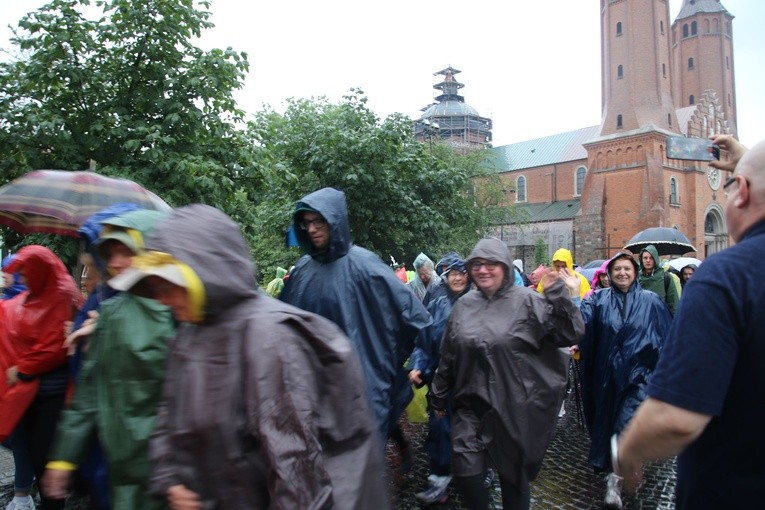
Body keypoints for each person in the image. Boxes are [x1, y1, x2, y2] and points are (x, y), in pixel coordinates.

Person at [108, 204, 388, 509]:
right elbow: (168, 417)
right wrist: (170, 479)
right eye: (154, 286)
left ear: (204, 270)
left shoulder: (268, 336)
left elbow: (296, 468)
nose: (160, 298)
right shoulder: (189, 336)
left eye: (166, 283)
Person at [614, 135, 765, 509]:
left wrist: (625, 451)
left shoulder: (727, 276)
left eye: (730, 187)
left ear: (741, 192)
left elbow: (675, 419)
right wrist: (747, 164)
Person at [429, 237, 584, 510]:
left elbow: (569, 333)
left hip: (514, 408)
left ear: (505, 266)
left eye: (491, 264)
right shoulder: (464, 306)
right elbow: (449, 353)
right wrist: (438, 397)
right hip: (470, 408)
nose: (483, 270)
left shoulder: (527, 301)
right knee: (467, 474)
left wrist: (561, 295)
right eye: (476, 264)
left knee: (514, 482)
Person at [42, 209, 175, 510]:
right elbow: (88, 393)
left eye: (125, 252)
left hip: (165, 473)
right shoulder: (111, 314)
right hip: (116, 469)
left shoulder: (182, 312)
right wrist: (63, 459)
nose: (114, 264)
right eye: (110, 254)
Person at [279, 187, 431, 448]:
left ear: (334, 220)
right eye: (306, 223)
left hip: (363, 390)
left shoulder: (365, 266)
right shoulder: (304, 269)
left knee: (360, 469)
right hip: (317, 391)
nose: (312, 229)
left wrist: (394, 361)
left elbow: (417, 320)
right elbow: (283, 322)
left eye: (319, 221)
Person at [577, 251, 672, 509]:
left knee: (624, 425)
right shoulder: (597, 301)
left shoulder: (651, 301)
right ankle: (616, 471)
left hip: (639, 378)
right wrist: (572, 296)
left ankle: (615, 480)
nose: (622, 273)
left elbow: (667, 337)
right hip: (606, 379)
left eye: (627, 269)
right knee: (607, 427)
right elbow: (580, 326)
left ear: (635, 272)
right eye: (617, 269)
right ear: (609, 273)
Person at [0, 246, 82, 510]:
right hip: (33, 392)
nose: (22, 278)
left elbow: (54, 346)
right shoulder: (42, 291)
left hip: (53, 396)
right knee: (35, 456)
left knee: (45, 460)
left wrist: (22, 368)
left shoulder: (61, 292)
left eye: (25, 272)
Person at [408, 257, 472, 505]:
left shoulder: (478, 303)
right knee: (440, 431)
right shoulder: (435, 304)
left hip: (472, 385)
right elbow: (423, 342)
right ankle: (438, 481)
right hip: (441, 385)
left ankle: (480, 473)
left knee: (474, 431)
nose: (457, 278)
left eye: (462, 273)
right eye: (452, 274)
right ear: (445, 277)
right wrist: (417, 365)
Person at [637, 245, 680, 314]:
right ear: (641, 260)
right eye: (645, 258)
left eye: (651, 258)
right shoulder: (636, 278)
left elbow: (673, 303)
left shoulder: (666, 277)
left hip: (661, 318)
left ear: (655, 259)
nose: (648, 260)